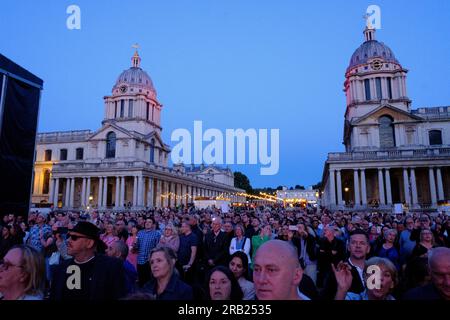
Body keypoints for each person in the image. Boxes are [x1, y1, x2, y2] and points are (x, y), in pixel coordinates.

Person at [50, 221, 126, 300]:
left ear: (89, 243)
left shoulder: (111, 268)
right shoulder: (61, 269)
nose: (68, 240)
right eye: (69, 236)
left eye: (74, 237)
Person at [321, 230, 370, 300]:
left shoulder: (375, 269)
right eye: (354, 243)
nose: (358, 246)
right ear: (348, 247)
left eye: (362, 243)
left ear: (368, 248)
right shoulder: (338, 270)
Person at [333, 257, 398, 300]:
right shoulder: (351, 298)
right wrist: (342, 290)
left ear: (392, 284)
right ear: (365, 277)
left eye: (386, 275)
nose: (380, 278)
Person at [135, 218, 161, 287]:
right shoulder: (140, 232)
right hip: (139, 259)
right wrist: (134, 245)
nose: (147, 223)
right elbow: (137, 245)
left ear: (153, 224)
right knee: (141, 281)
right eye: (146, 222)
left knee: (149, 281)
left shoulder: (157, 234)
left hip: (149, 260)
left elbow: (158, 248)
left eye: (149, 222)